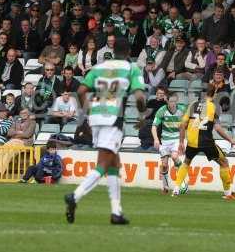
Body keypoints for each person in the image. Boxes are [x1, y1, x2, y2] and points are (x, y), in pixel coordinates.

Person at [64, 37, 146, 225]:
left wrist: (86, 115)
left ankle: (116, 212)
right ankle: (75, 196)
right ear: (128, 52)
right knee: (103, 163)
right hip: (113, 118)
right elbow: (140, 96)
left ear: (113, 49)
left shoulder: (99, 68)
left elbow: (82, 91)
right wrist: (142, 116)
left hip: (96, 117)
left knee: (114, 164)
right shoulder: (131, 68)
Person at [173, 84, 235, 199]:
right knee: (224, 162)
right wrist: (230, 140)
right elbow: (217, 128)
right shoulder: (213, 107)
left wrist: (181, 142)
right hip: (206, 141)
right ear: (214, 94)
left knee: (186, 162)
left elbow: (182, 125)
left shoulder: (193, 104)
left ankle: (176, 190)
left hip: (192, 142)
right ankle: (228, 194)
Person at [151, 92, 187, 194]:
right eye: (171, 101)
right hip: (165, 140)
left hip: (176, 138)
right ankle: (165, 186)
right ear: (167, 101)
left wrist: (182, 141)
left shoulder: (182, 110)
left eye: (175, 101)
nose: (173, 104)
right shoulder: (162, 111)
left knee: (175, 157)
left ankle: (182, 183)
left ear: (177, 101)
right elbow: (154, 126)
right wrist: (156, 139)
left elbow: (187, 124)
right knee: (164, 165)